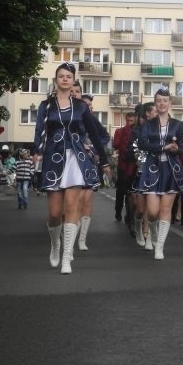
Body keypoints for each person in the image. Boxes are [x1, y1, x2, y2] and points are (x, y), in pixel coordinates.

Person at [33, 62, 111, 274]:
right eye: (61, 76)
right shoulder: (45, 106)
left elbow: (95, 134)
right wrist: (36, 152)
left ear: (73, 80)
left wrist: (103, 161)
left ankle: (67, 257)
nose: (65, 79)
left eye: (69, 76)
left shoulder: (81, 107)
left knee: (72, 207)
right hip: (53, 159)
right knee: (55, 213)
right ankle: (56, 245)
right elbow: (40, 130)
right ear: (56, 79)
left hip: (76, 159)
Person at [136, 88, 183, 260]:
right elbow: (142, 144)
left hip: (172, 169)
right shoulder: (147, 125)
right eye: (159, 101)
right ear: (155, 103)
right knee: (152, 212)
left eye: (165, 100)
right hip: (152, 168)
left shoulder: (178, 125)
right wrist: (163, 147)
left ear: (170, 103)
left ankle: (160, 246)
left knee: (166, 209)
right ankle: (151, 232)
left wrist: (176, 149)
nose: (162, 103)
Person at [70, 86, 109, 252]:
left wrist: (91, 148)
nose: (87, 108)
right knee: (73, 202)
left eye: (89, 105)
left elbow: (104, 136)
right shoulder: (64, 115)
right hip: (70, 162)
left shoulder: (92, 120)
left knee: (86, 200)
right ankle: (69, 237)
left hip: (88, 162)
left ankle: (82, 239)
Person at [130, 102, 157, 248]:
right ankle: (138, 227)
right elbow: (132, 149)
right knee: (140, 209)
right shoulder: (137, 131)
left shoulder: (160, 129)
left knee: (152, 207)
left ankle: (147, 232)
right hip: (141, 171)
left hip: (156, 170)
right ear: (148, 114)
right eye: (154, 111)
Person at [113, 111, 137, 224]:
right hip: (122, 165)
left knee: (130, 191)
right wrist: (124, 134)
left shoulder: (136, 132)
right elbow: (116, 145)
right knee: (121, 191)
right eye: (128, 121)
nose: (129, 123)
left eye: (131, 121)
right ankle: (118, 211)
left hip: (132, 166)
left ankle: (129, 213)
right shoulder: (119, 131)